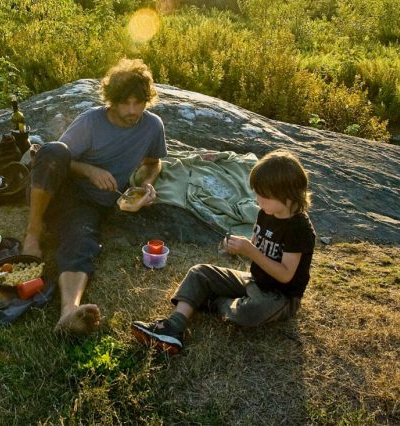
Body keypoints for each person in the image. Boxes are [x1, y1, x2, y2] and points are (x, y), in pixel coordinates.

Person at [22, 58, 167, 335]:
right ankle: (33, 231)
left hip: (90, 205)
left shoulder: (152, 126)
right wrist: (89, 170)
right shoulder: (90, 121)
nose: (133, 110)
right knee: (51, 150)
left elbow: (153, 162)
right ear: (112, 100)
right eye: (126, 102)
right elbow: (57, 158)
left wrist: (145, 187)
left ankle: (69, 312)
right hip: (58, 189)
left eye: (139, 103)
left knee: (82, 241)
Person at [131, 149, 316, 354]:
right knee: (200, 272)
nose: (257, 200)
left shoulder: (299, 228)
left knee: (248, 312)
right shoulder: (266, 212)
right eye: (256, 193)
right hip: (254, 280)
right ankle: (173, 327)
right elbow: (255, 243)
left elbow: (285, 274)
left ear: (287, 195)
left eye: (263, 196)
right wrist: (234, 248)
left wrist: (250, 251)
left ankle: (213, 301)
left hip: (280, 296)